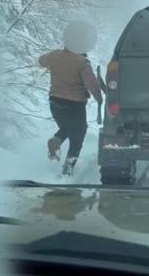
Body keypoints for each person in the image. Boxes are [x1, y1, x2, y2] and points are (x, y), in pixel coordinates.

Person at [38, 22, 102, 176]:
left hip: (54, 102)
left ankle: (57, 140)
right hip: (75, 104)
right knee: (78, 134)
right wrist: (99, 98)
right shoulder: (82, 63)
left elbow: (40, 61)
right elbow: (91, 84)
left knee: (67, 128)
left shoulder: (54, 56)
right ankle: (68, 169)